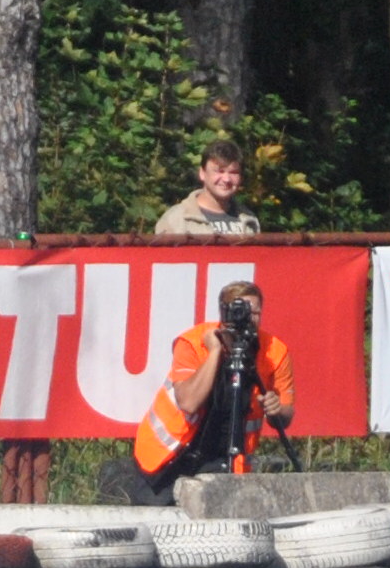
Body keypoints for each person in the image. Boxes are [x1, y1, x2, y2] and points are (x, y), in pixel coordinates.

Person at [112, 277, 294, 504]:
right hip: (168, 457)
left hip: (226, 458)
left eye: (254, 312)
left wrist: (277, 409)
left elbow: (285, 416)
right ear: (223, 313)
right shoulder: (193, 343)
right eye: (240, 311)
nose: (247, 319)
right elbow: (189, 402)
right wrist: (215, 351)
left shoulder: (275, 352)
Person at [155, 141, 261, 239]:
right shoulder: (177, 219)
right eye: (219, 171)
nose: (226, 179)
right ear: (202, 173)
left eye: (233, 172)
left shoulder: (249, 220)